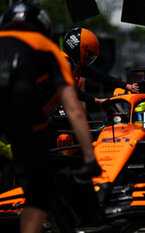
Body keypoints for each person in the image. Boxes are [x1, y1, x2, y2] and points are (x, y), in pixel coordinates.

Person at [0, 2, 101, 233]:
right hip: (20, 128)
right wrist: (90, 158)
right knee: (38, 197)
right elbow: (74, 109)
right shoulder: (48, 50)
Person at [63, 27, 139, 105]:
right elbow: (70, 89)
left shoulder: (74, 65)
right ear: (80, 49)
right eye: (89, 55)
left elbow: (99, 76)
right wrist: (96, 100)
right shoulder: (64, 64)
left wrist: (126, 86)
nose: (89, 58)